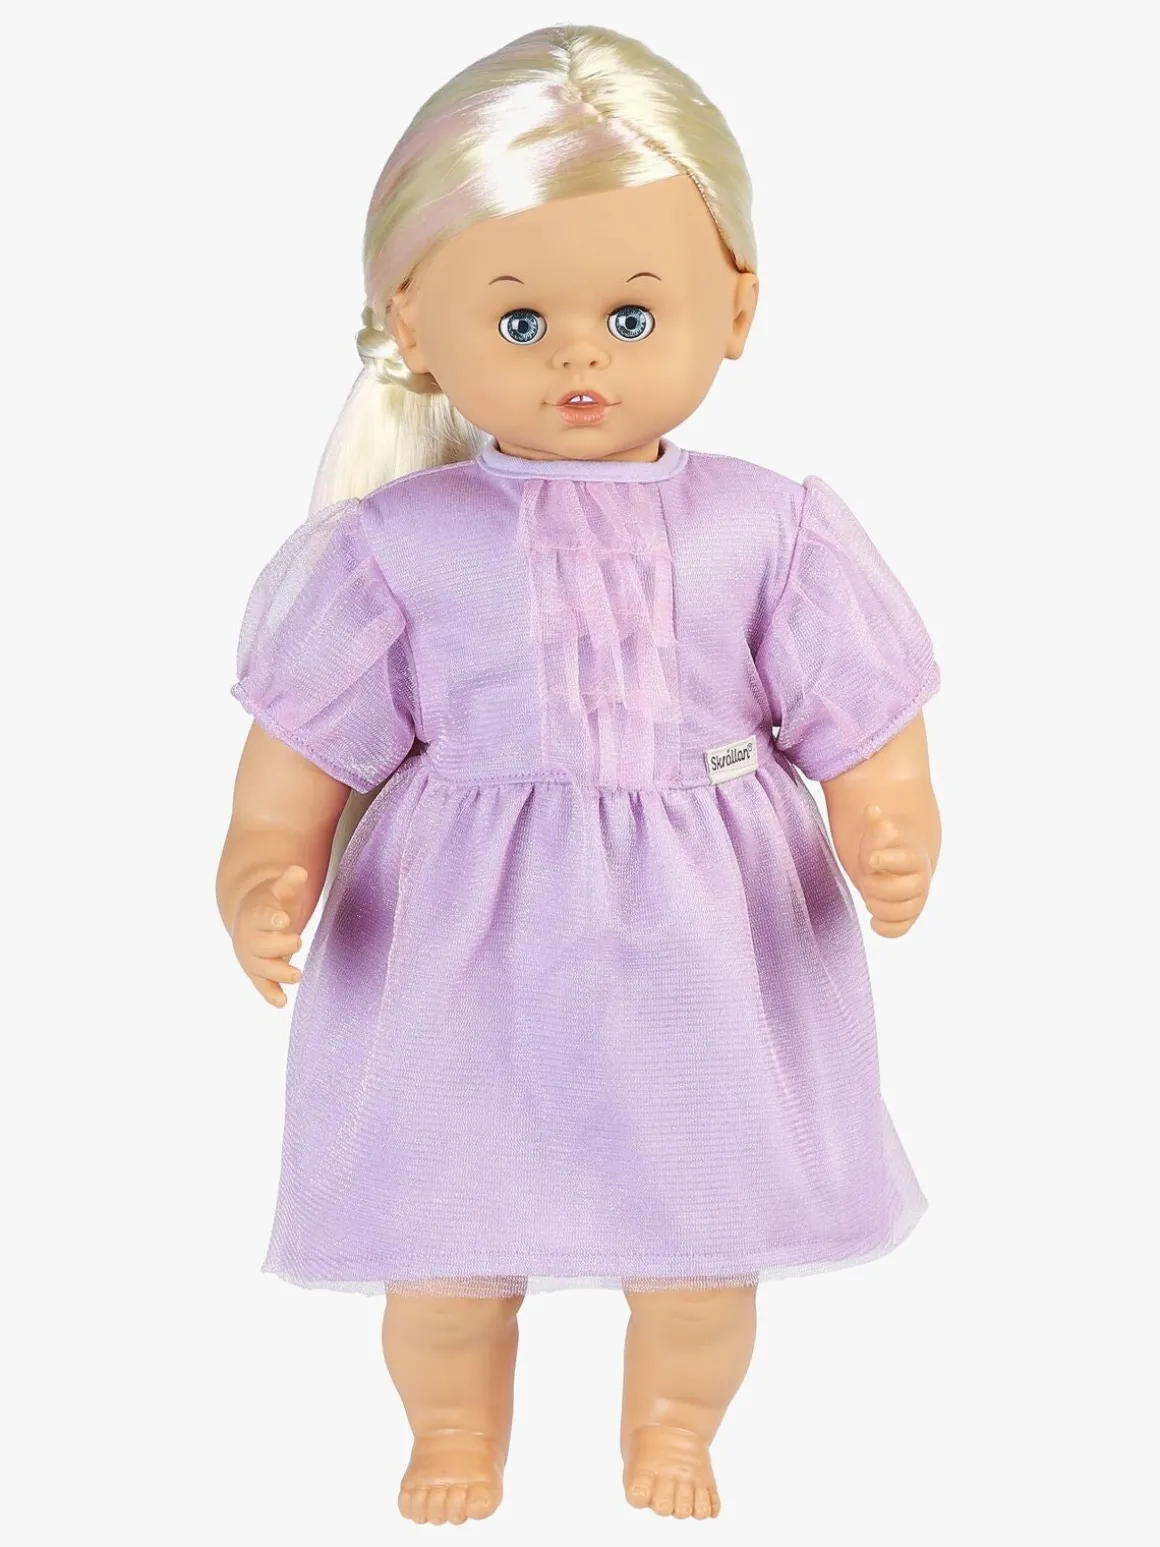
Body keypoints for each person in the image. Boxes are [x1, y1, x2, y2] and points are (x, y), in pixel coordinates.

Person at [216, 23, 942, 1526]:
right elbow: (299, 752)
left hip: (708, 941)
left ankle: (676, 1416)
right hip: (462, 946)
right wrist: (265, 863)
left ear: (737, 307)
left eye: (628, 311)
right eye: (522, 320)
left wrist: (890, 820)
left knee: (703, 1238)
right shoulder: (398, 546)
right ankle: (449, 1426)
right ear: (414, 324)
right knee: (443, 1235)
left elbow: (862, 714)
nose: (582, 356)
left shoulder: (769, 528)